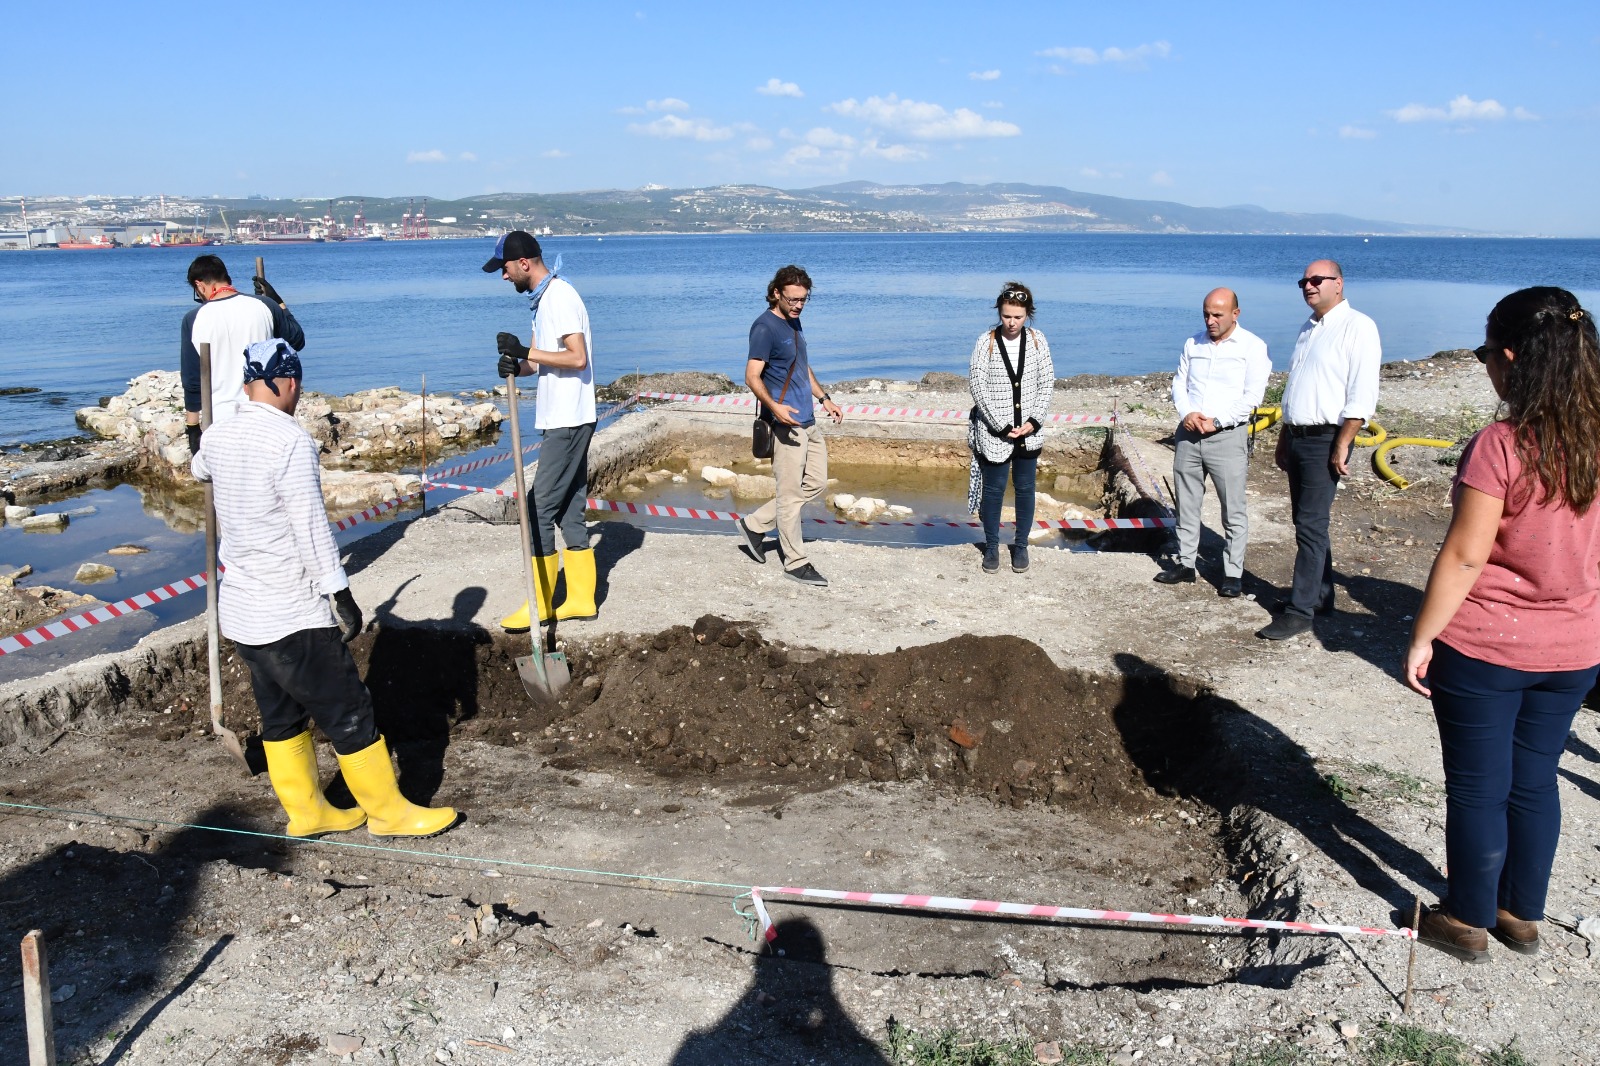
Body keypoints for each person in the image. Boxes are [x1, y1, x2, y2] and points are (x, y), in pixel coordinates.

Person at [1403, 288, 1600, 963]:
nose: (1485, 363)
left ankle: (1465, 919)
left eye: (1488, 353)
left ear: (1512, 358)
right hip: (1576, 648)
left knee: (1479, 786)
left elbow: (1464, 555)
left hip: (1490, 647)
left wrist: (1424, 636)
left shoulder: (1502, 445)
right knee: (1536, 778)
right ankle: (1521, 913)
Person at [192, 339, 457, 840]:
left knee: (280, 714)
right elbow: (311, 527)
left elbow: (197, 469)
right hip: (289, 609)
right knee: (348, 711)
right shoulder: (290, 442)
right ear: (289, 383)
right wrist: (339, 592)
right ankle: (388, 813)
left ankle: (309, 811)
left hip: (243, 613)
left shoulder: (219, 435)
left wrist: (204, 435)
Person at [1257, 260, 1380, 640]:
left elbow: (1362, 393)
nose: (1308, 286)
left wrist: (1344, 442)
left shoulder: (1358, 326)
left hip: (1326, 437)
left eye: (1316, 280)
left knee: (1311, 526)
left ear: (1338, 284)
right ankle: (1320, 595)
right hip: (1298, 435)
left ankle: (1300, 611)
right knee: (1306, 523)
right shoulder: (1308, 329)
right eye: (1303, 281)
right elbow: (1298, 387)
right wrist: (1283, 435)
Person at [487, 230, 600, 631]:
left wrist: (526, 351)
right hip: (561, 417)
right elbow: (540, 362)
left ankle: (541, 605)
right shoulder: (542, 300)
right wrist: (517, 366)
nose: (502, 277)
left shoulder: (560, 297)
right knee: (570, 507)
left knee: (536, 509)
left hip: (569, 419)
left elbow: (576, 356)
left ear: (523, 263)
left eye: (503, 269)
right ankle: (582, 599)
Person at [1155, 288, 1271, 597]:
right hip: (1190, 433)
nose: (1210, 320)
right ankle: (1185, 564)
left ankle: (1232, 573)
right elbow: (1180, 382)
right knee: (1187, 503)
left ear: (1236, 313)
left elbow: (1252, 397)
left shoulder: (1253, 347)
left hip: (1227, 436)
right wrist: (1188, 412)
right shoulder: (1193, 343)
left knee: (1233, 508)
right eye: (1206, 313)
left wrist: (1217, 421)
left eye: (1217, 314)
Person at [734, 265, 843, 586]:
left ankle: (754, 525)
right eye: (793, 299)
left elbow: (801, 367)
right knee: (789, 492)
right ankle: (795, 561)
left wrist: (825, 399)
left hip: (808, 419)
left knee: (817, 484)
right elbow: (751, 376)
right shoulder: (764, 328)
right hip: (785, 424)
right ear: (776, 293)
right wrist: (775, 408)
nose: (798, 305)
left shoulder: (794, 322)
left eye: (804, 300)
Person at [966, 281, 1055, 574]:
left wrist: (1033, 422)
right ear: (999, 313)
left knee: (1026, 490)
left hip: (1030, 434)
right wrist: (1000, 426)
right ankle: (991, 547)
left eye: (1017, 317)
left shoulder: (1039, 341)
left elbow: (1046, 383)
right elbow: (977, 386)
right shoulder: (985, 342)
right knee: (993, 491)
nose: (1012, 322)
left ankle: (1021, 546)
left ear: (1028, 314)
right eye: (1006, 316)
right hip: (995, 434)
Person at [180, 254, 304, 453]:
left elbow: (193, 380)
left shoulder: (194, 319)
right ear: (227, 279)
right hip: (267, 414)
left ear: (200, 285)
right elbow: (297, 340)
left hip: (220, 419)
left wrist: (193, 429)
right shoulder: (264, 306)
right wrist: (278, 302)